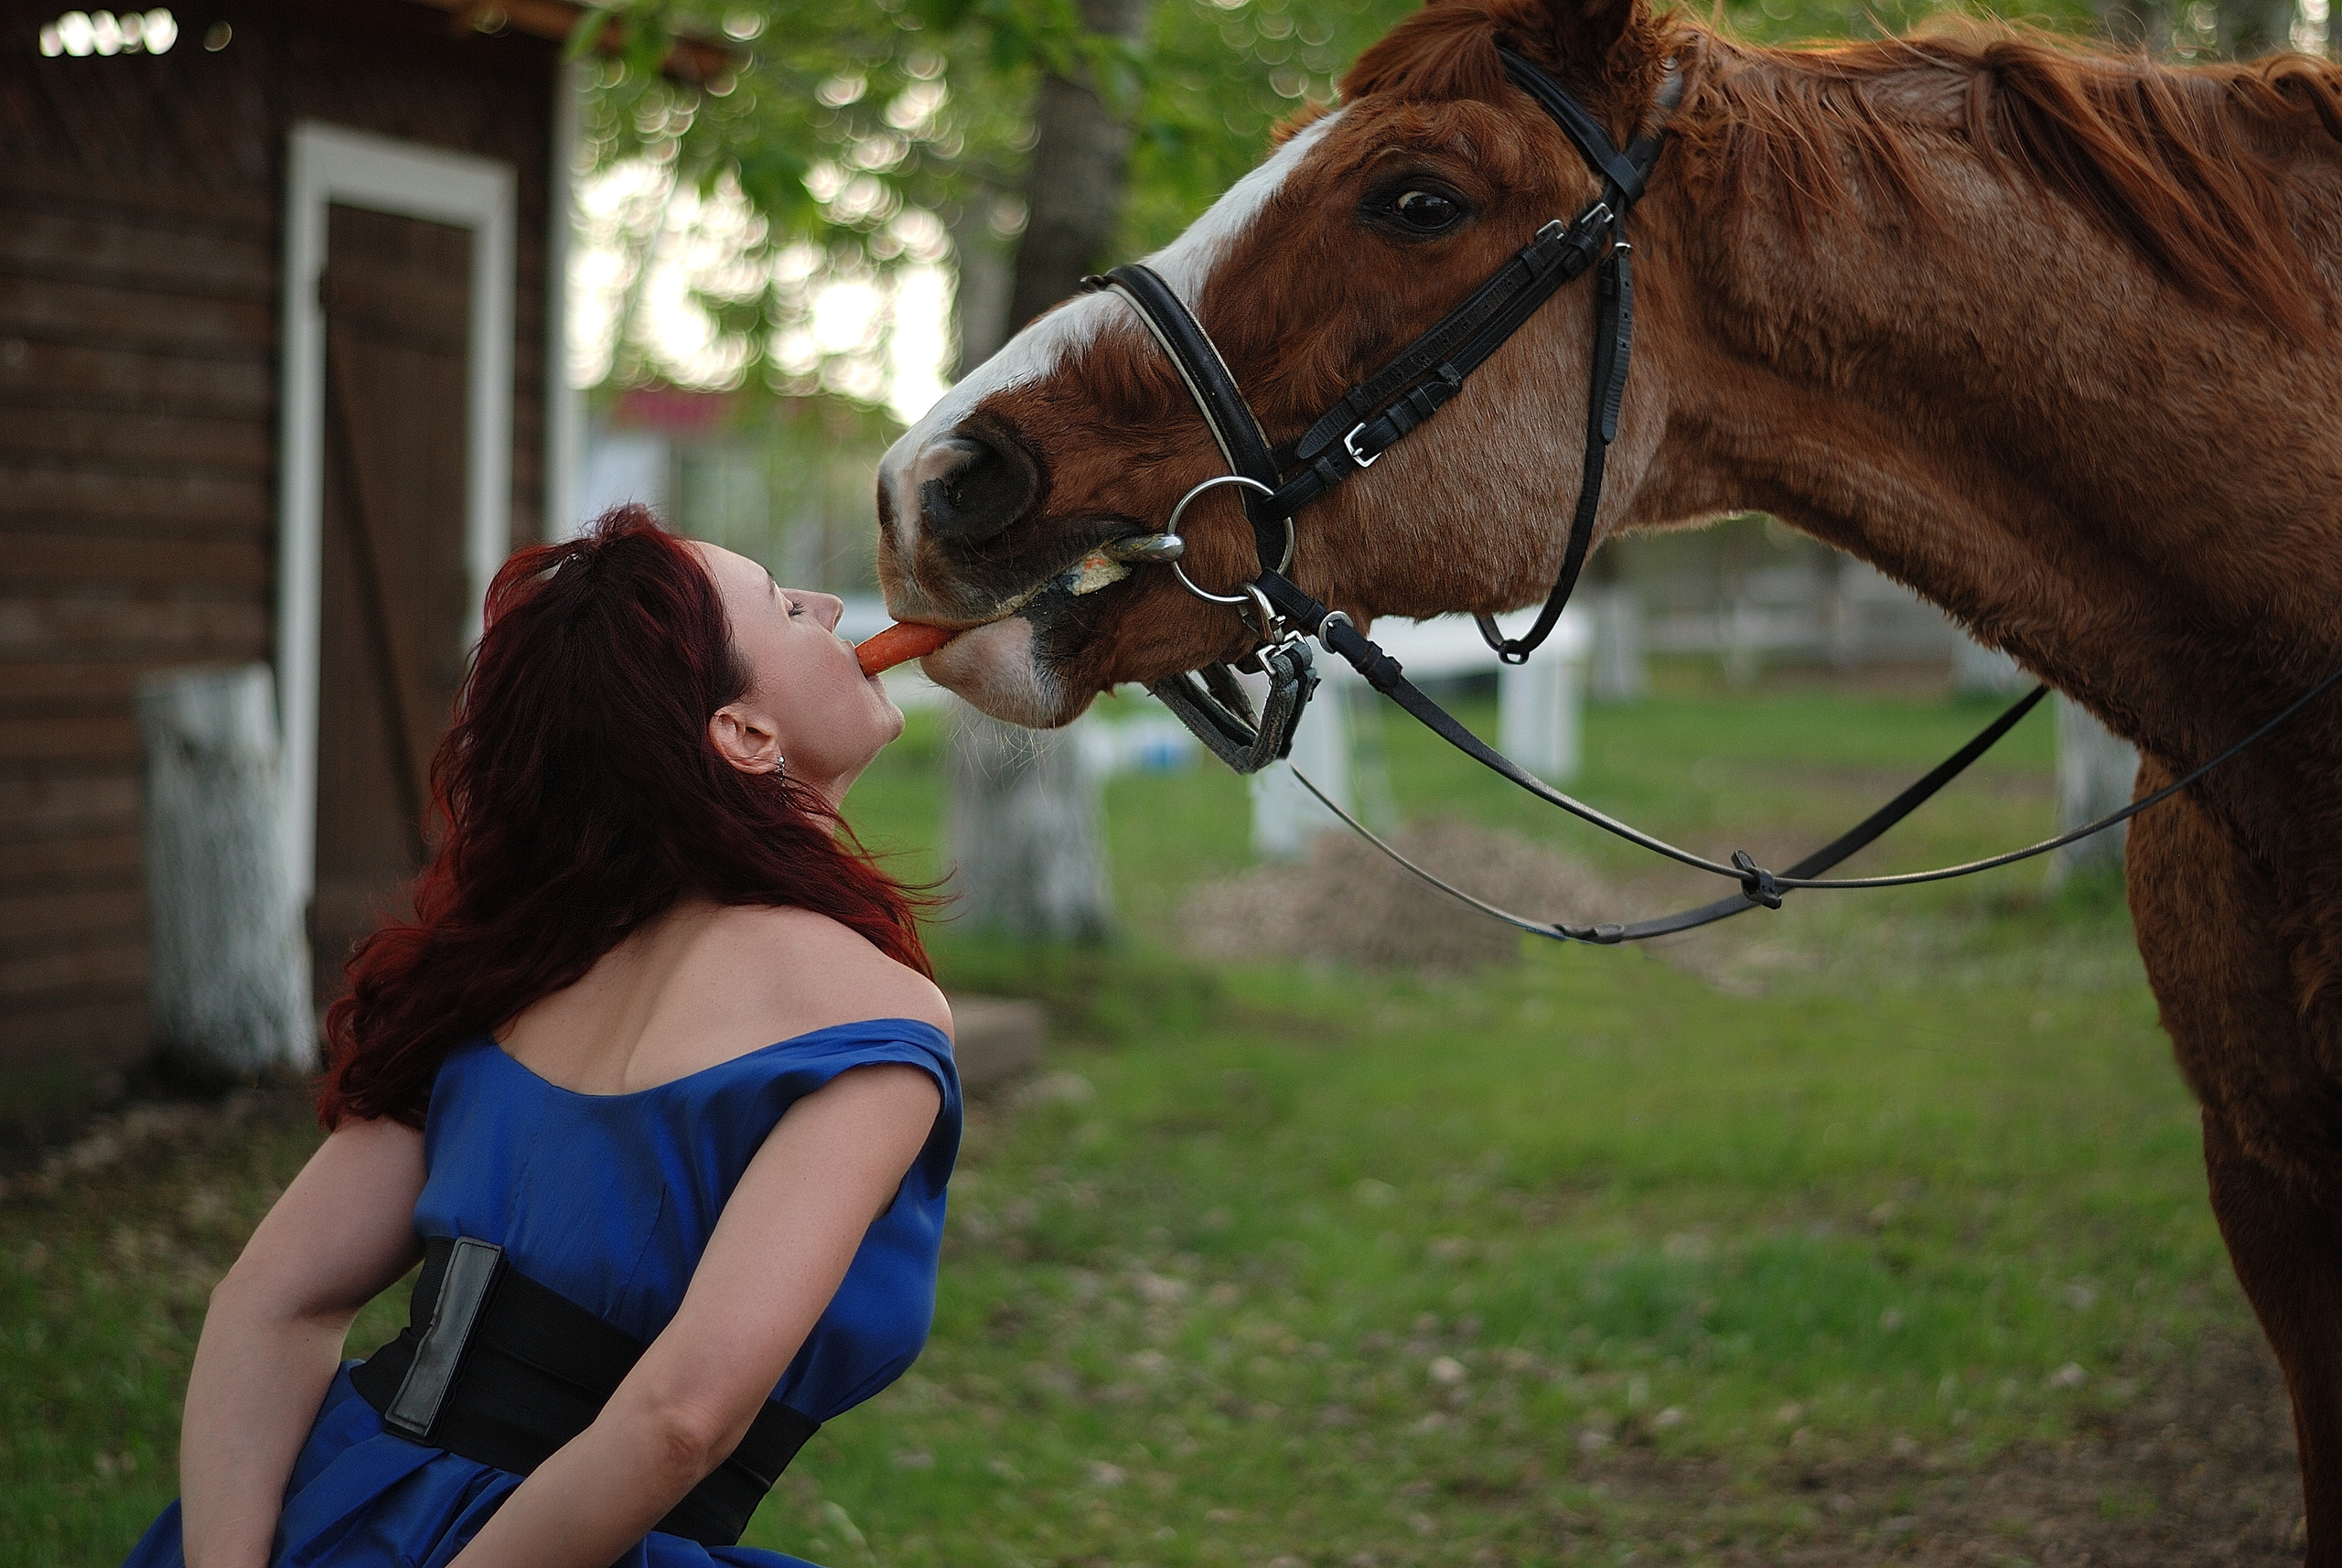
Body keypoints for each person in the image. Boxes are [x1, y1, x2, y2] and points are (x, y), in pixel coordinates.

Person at [124, 505, 958, 1568]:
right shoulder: (873, 1015)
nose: (834, 607)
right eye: (789, 607)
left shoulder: (517, 964)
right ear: (742, 733)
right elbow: (679, 1419)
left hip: (332, 1511)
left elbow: (272, 1299)